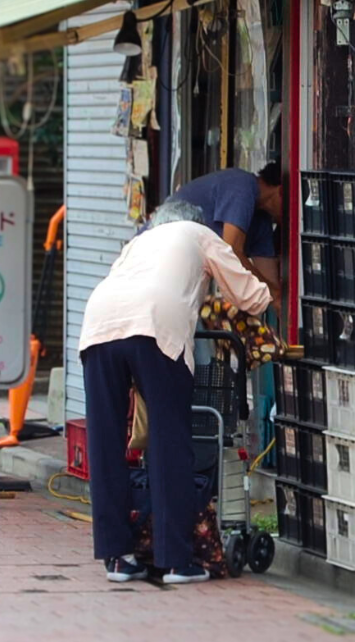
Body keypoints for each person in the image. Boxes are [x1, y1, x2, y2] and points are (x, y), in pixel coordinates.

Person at [78, 199, 271, 584]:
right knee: (170, 441)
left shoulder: (140, 242)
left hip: (99, 324)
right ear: (197, 223)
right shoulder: (200, 234)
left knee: (105, 441)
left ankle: (117, 558)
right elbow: (250, 296)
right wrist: (273, 299)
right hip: (154, 326)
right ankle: (176, 561)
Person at [170, 163, 284, 314]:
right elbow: (231, 252)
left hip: (186, 275)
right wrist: (275, 295)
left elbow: (270, 283)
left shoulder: (262, 222)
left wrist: (277, 297)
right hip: (164, 262)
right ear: (281, 191)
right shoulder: (242, 186)